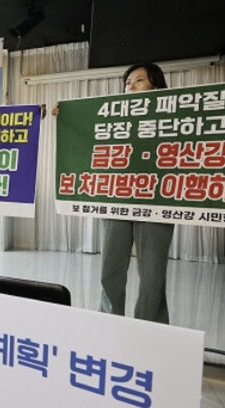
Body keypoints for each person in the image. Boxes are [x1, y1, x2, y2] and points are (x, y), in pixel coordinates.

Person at [53, 63, 172, 324]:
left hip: (157, 201)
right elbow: (85, 139)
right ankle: (109, 324)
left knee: (153, 276)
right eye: (128, 82)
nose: (131, 86)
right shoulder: (111, 118)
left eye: (139, 80)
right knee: (110, 271)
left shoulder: (174, 117)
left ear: (156, 85)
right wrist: (67, 117)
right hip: (115, 200)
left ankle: (152, 328)